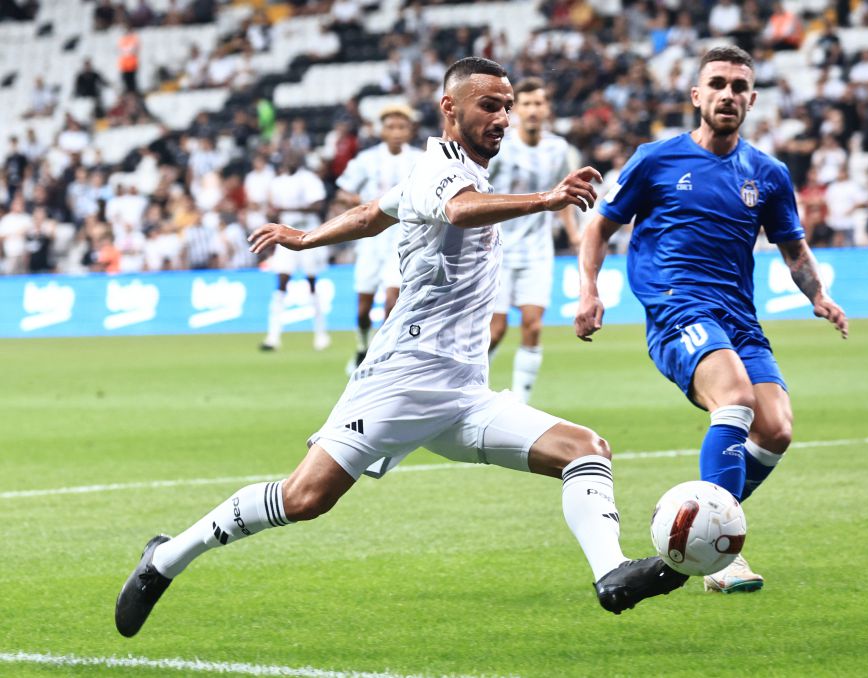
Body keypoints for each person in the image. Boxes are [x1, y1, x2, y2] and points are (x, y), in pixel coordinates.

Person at [114, 57, 688, 639]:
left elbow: (372, 213)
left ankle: (611, 572)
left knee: (586, 449)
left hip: (464, 391)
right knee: (305, 497)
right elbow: (458, 210)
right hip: (402, 378)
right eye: (490, 105)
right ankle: (165, 559)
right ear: (450, 108)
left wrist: (305, 237)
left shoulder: (458, 172)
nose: (503, 117)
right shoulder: (438, 168)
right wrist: (545, 200)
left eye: (508, 106)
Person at [575, 46, 848, 594]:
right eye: (717, 84)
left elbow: (793, 249)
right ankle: (718, 557)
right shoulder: (656, 159)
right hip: (678, 307)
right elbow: (599, 227)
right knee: (737, 400)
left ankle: (690, 530)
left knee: (776, 429)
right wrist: (589, 290)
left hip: (738, 316)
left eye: (739, 86)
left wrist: (819, 295)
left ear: (751, 99)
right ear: (697, 96)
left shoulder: (767, 173)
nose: (728, 94)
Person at [484, 77, 581, 404]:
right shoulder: (500, 146)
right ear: (515, 110)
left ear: (547, 108)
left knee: (533, 325)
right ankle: (469, 391)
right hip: (497, 249)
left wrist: (574, 234)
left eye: (539, 103)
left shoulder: (558, 148)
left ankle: (520, 404)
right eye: (526, 104)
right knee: (495, 331)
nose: (533, 110)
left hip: (538, 250)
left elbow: (561, 196)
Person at [333, 103, 423, 372]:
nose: (396, 132)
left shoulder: (421, 159)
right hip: (371, 240)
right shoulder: (366, 160)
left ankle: (380, 357)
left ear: (410, 131)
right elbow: (341, 192)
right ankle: (362, 347)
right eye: (391, 127)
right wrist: (356, 199)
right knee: (363, 307)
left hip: (403, 238)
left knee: (392, 302)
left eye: (402, 127)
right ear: (381, 130)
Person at [260, 152, 329, 351]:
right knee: (281, 282)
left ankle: (320, 334)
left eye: (292, 157)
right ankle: (273, 337)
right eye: (286, 157)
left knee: (312, 283)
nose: (289, 160)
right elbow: (272, 208)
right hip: (284, 236)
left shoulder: (309, 179)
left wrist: (287, 209)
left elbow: (318, 205)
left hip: (308, 234)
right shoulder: (276, 182)